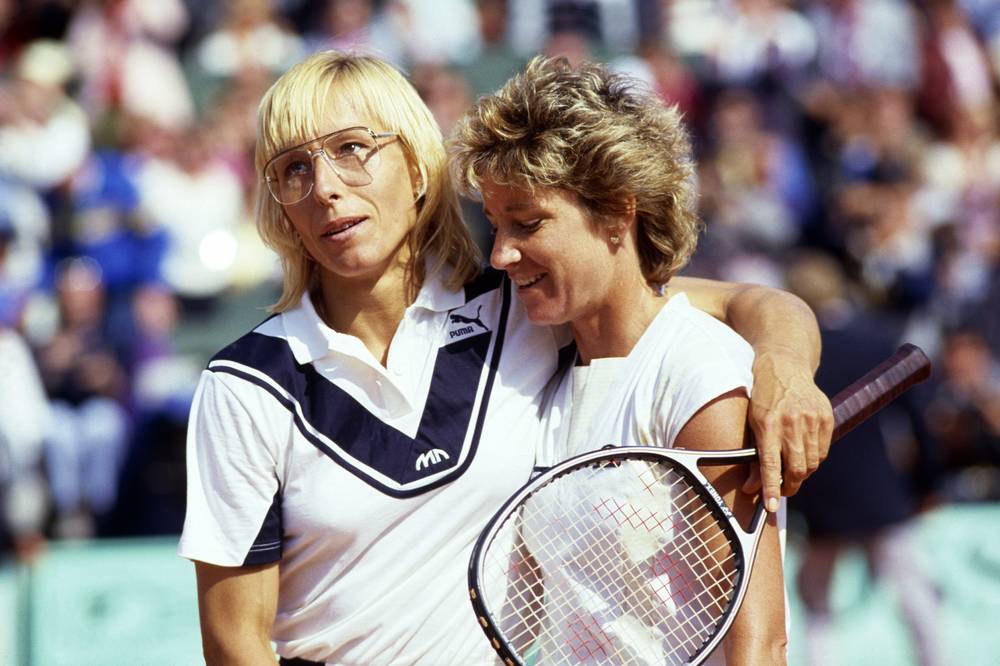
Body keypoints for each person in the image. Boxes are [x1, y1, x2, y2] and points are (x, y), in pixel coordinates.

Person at [179, 50, 829, 665]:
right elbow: (236, 645)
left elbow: (749, 305)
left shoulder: (525, 305)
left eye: (353, 149)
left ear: (415, 168)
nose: (324, 187)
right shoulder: (244, 386)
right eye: (293, 168)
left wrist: (784, 372)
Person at [450, 56, 787, 663]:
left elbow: (758, 639)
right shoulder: (543, 372)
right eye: (496, 226)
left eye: (528, 223)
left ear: (616, 214)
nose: (501, 254)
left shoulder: (696, 368)